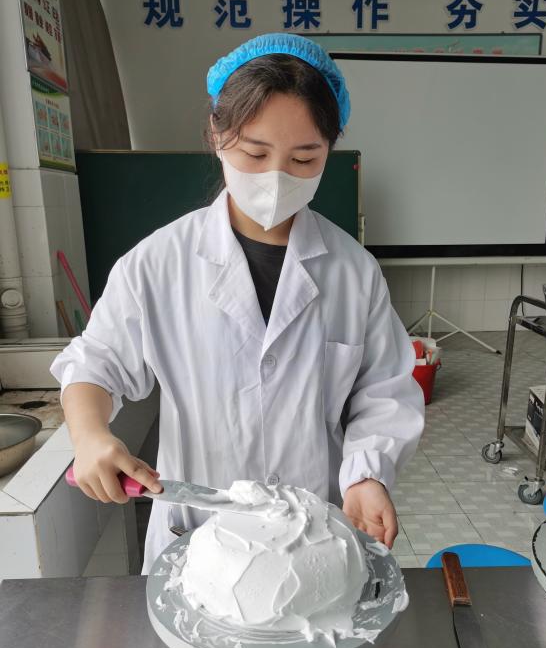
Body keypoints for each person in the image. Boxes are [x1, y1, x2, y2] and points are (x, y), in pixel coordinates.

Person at [50, 33, 425, 574]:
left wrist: (367, 475)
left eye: (304, 158)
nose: (276, 177)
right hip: (198, 535)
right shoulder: (159, 263)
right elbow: (95, 363)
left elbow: (384, 392)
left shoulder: (353, 271)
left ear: (330, 150)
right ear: (217, 134)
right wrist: (89, 435)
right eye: (255, 153)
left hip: (312, 533)